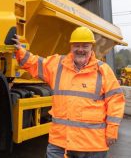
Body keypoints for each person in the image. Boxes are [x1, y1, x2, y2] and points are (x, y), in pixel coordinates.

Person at [12, 26, 125, 158]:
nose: (80, 49)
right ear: (71, 47)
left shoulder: (103, 70)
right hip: (60, 143)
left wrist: (112, 129)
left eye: (85, 46)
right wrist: (19, 50)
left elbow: (116, 100)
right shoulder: (58, 64)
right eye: (77, 45)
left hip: (92, 146)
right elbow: (35, 63)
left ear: (91, 47)